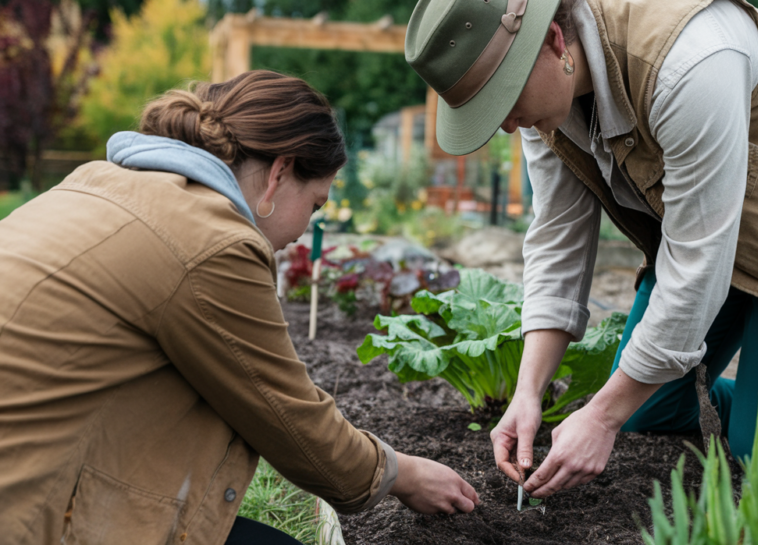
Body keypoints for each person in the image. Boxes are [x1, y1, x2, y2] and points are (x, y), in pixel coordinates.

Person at [404, 0, 758, 499]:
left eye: (502, 100)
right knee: (646, 404)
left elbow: (697, 265)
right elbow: (558, 239)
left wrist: (600, 418)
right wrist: (527, 392)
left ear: (555, 41)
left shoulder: (687, 59)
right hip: (714, 218)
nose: (507, 125)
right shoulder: (543, 104)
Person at [0, 70, 478, 545]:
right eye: (314, 206)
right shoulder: (212, 242)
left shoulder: (96, 183)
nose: (298, 237)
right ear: (279, 172)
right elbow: (289, 419)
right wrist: (403, 474)